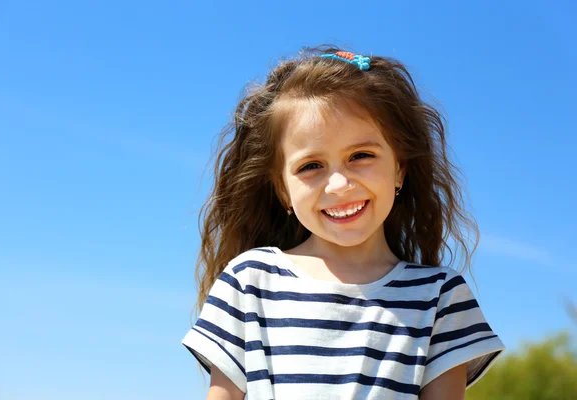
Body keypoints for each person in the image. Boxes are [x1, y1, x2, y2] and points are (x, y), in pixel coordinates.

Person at [182, 46, 505, 400]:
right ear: (282, 189)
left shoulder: (441, 297)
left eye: (361, 156)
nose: (339, 185)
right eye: (310, 166)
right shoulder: (248, 283)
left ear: (400, 168)